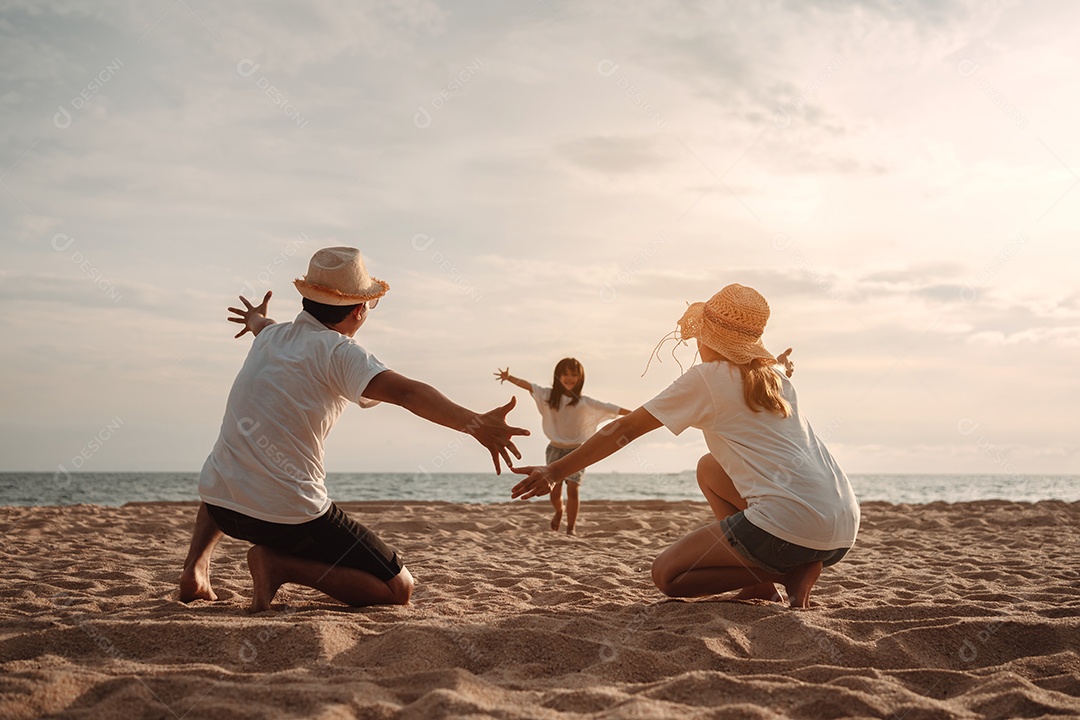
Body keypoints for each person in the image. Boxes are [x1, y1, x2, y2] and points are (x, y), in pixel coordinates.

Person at [179, 246, 528, 612]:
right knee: (398, 588)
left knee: (226, 461)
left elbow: (259, 326)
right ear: (359, 309)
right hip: (288, 519)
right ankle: (278, 564)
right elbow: (409, 392)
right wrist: (475, 423)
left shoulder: (271, 336)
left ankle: (194, 569)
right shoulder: (340, 352)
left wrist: (253, 319)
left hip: (221, 506)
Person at [511, 284, 858, 608]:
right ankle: (760, 586)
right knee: (708, 468)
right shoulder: (774, 377)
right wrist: (779, 363)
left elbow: (626, 429)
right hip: (842, 526)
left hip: (793, 528)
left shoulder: (708, 378)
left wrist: (555, 470)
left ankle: (784, 573)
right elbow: (770, 370)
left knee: (668, 576)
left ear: (707, 338)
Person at [495, 359, 630, 535]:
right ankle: (559, 511)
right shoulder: (548, 395)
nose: (570, 378)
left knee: (573, 489)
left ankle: (571, 528)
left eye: (574, 375)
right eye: (565, 374)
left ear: (580, 378)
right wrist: (509, 377)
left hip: (578, 451)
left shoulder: (585, 402)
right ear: (558, 376)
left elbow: (614, 409)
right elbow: (529, 386)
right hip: (555, 449)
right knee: (555, 489)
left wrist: (641, 415)